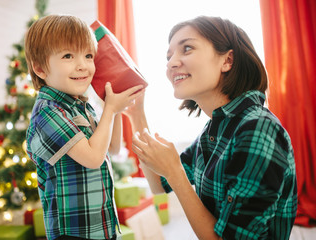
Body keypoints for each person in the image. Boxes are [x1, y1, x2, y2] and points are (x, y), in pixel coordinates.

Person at [128, 16, 297, 239]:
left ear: (227, 60)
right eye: (169, 57)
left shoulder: (257, 129)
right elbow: (160, 184)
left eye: (186, 48)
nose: (170, 63)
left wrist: (175, 173)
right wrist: (137, 113)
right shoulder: (215, 129)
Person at [24, 15, 143, 240]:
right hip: (73, 232)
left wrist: (113, 108)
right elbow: (93, 158)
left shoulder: (79, 106)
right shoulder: (48, 111)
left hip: (100, 227)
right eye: (68, 55)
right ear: (40, 69)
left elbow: (113, 149)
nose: (83, 65)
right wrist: (108, 110)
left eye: (88, 55)